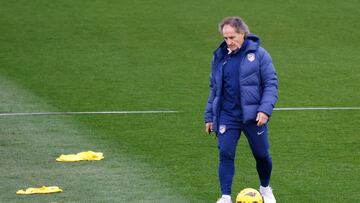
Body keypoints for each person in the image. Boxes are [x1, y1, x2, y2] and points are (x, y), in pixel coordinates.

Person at [204, 16, 278, 203]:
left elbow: (271, 84)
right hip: (227, 115)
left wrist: (265, 110)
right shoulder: (219, 56)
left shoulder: (259, 55)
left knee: (262, 155)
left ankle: (265, 188)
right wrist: (210, 117)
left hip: (253, 116)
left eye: (232, 37)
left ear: (242, 34)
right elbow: (214, 89)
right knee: (225, 153)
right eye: (225, 38)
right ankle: (226, 196)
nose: (228, 42)